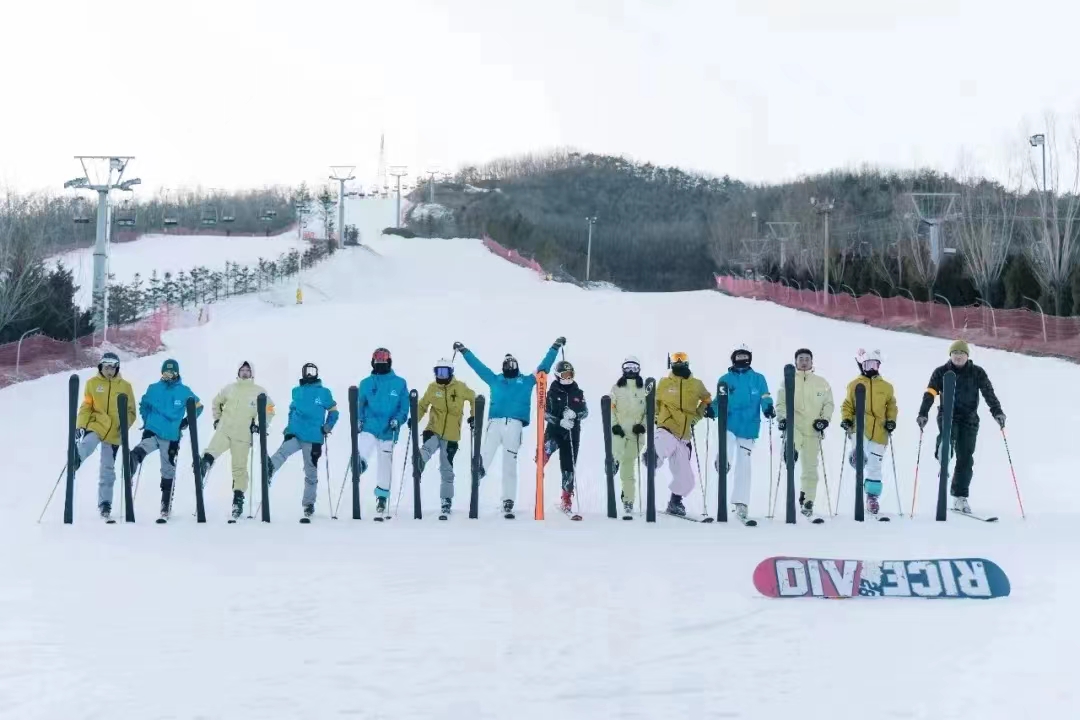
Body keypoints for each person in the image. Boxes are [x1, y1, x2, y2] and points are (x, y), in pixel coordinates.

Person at [455, 337, 563, 518]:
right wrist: (464, 351)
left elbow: (544, 367)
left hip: (514, 425)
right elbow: (478, 367)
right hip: (495, 423)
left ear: (517, 366)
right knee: (486, 453)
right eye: (507, 364)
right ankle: (479, 472)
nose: (510, 366)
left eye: (512, 364)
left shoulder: (526, 381)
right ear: (503, 367)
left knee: (509, 463)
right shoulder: (495, 379)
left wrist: (555, 347)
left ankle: (508, 500)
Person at [916, 340, 1005, 515]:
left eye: (961, 353)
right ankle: (944, 453)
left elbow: (988, 392)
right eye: (954, 353)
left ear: (967, 356)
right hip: (947, 415)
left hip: (969, 418)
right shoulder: (941, 372)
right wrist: (923, 413)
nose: (958, 356)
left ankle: (959, 497)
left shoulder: (977, 372)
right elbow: (930, 393)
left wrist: (997, 412)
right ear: (950, 355)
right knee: (947, 437)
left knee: (966, 458)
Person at [200, 361, 276, 520]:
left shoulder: (259, 391)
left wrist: (260, 424)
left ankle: (238, 500)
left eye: (248, 370)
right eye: (242, 370)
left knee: (239, 469)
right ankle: (202, 468)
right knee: (211, 452)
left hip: (242, 436)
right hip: (225, 430)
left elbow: (269, 409)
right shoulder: (229, 388)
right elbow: (216, 402)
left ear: (252, 373)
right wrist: (217, 419)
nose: (245, 372)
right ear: (238, 372)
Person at [708, 344, 775, 522]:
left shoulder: (758, 379)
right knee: (727, 446)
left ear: (750, 358)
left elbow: (765, 397)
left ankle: (741, 504)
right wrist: (712, 410)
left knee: (744, 464)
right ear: (733, 358)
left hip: (748, 427)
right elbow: (719, 400)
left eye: (745, 356)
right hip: (729, 423)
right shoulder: (725, 379)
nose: (742, 359)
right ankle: (723, 460)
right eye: (739, 356)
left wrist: (768, 408)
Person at [132, 358, 202, 521]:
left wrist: (187, 421)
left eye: (172, 372)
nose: (168, 375)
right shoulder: (153, 388)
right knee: (139, 451)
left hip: (171, 436)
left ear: (177, 373)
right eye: (166, 372)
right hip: (153, 431)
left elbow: (198, 406)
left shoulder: (184, 391)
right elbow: (143, 405)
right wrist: (147, 421)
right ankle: (131, 467)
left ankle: (165, 505)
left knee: (168, 469)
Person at [267, 362, 339, 520]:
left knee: (310, 471)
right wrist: (289, 429)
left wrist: (328, 426)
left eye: (313, 371)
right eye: (307, 371)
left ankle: (308, 504)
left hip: (313, 437)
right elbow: (292, 410)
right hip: (296, 433)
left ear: (317, 373)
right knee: (283, 451)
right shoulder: (297, 391)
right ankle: (270, 468)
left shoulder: (324, 393)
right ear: (303, 373)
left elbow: (333, 411)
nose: (310, 374)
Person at [74, 351, 137, 521]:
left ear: (117, 368)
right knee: (88, 442)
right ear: (101, 367)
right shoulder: (92, 384)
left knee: (107, 469)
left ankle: (105, 503)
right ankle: (76, 458)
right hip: (97, 424)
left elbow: (131, 411)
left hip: (115, 431)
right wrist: (80, 426)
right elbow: (86, 407)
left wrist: (124, 425)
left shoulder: (125, 386)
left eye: (113, 367)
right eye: (106, 367)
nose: (109, 371)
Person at [774, 348, 834, 518]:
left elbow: (828, 404)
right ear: (796, 361)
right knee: (791, 451)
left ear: (812, 362)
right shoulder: (788, 380)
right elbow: (781, 403)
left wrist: (824, 420)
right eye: (801, 359)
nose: (804, 361)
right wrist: (782, 419)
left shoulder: (821, 382)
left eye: (807, 359)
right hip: (795, 426)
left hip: (813, 429)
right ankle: (789, 451)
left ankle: (807, 500)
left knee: (810, 468)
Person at [415, 357, 477, 517]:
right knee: (428, 446)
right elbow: (422, 405)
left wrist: (473, 415)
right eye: (438, 372)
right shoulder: (432, 388)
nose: (441, 375)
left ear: (451, 372)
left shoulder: (460, 387)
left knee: (446, 467)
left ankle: (446, 500)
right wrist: (414, 419)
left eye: (444, 372)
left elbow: (473, 398)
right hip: (434, 428)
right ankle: (419, 461)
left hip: (451, 435)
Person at [840, 349, 897, 517]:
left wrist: (891, 420)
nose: (871, 368)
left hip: (879, 430)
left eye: (874, 365)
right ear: (862, 365)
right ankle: (856, 456)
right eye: (867, 365)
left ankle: (872, 497)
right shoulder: (854, 384)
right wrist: (847, 419)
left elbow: (891, 406)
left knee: (874, 465)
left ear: (879, 365)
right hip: (860, 427)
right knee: (861, 454)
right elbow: (847, 405)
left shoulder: (886, 387)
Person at [653, 351, 711, 517]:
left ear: (687, 362)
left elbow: (707, 400)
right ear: (671, 363)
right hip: (666, 428)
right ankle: (653, 456)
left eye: (682, 358)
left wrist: (698, 416)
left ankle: (675, 502)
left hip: (684, 436)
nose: (679, 361)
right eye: (676, 359)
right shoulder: (664, 382)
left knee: (687, 479)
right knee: (664, 442)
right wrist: (656, 418)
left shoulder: (696, 384)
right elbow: (655, 402)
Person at [355, 348, 410, 519]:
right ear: (373, 363)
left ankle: (382, 496)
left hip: (388, 428)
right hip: (370, 425)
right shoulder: (366, 383)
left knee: (385, 461)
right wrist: (359, 420)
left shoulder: (399, 383)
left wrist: (397, 420)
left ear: (389, 363)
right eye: (377, 362)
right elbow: (360, 405)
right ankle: (359, 463)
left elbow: (404, 407)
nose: (380, 365)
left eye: (383, 362)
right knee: (365, 442)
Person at [542, 359, 589, 514]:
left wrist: (575, 414)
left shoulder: (578, 393)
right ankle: (540, 464)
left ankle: (566, 498)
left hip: (571, 434)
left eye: (570, 374)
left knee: (568, 467)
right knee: (546, 449)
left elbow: (585, 412)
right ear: (558, 375)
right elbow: (545, 414)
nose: (568, 378)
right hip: (555, 431)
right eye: (565, 375)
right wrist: (559, 421)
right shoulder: (552, 392)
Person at [609, 356, 647, 516]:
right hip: (619, 431)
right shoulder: (616, 388)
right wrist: (614, 425)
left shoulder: (644, 389)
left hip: (635, 434)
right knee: (618, 454)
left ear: (638, 369)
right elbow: (610, 408)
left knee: (628, 469)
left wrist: (643, 425)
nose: (631, 371)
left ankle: (628, 500)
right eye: (628, 367)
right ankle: (613, 461)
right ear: (623, 369)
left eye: (634, 367)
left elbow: (649, 411)